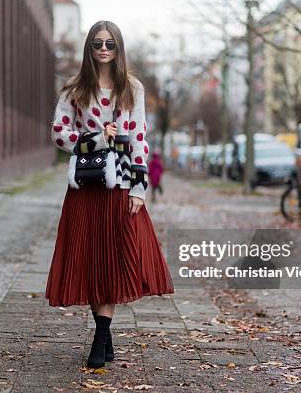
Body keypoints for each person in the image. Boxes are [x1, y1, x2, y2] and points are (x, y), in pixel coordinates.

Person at [45, 20, 175, 369]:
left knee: (114, 261)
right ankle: (105, 334)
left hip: (119, 187)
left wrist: (139, 187)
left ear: (119, 48)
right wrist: (95, 139)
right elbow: (59, 134)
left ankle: (100, 337)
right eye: (98, 43)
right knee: (90, 261)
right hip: (86, 187)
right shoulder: (74, 88)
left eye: (110, 43)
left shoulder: (132, 88)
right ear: (89, 48)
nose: (104, 49)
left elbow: (139, 139)